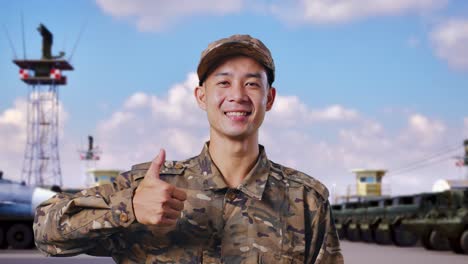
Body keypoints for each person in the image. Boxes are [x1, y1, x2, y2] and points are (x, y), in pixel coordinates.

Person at [34, 34, 344, 263]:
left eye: (251, 84)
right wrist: (127, 209)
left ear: (270, 98)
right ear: (200, 96)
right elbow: (46, 232)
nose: (237, 95)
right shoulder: (149, 190)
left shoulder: (306, 201)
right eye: (223, 83)